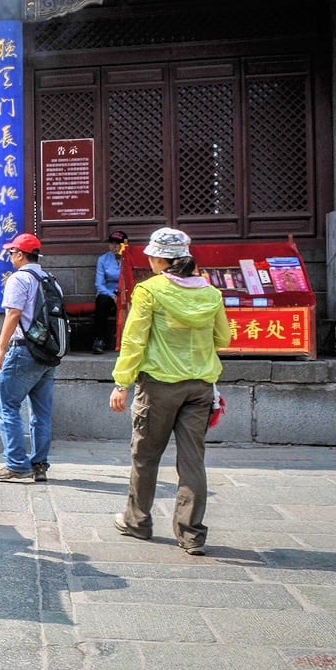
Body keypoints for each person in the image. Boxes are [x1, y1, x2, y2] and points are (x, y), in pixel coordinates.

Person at [109, 227, 230, 556]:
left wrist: (122, 382)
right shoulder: (210, 293)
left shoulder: (149, 291)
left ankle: (138, 521)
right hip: (201, 386)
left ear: (162, 260)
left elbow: (134, 341)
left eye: (152, 255)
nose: (149, 259)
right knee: (193, 462)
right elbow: (223, 339)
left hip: (159, 385)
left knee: (145, 457)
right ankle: (191, 534)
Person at [0, 232, 61, 484]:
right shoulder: (51, 279)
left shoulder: (19, 279)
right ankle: (39, 464)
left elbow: (13, 315)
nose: (10, 256)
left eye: (12, 252)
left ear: (21, 254)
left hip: (24, 350)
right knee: (41, 412)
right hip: (47, 353)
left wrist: (0, 348)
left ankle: (16, 464)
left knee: (8, 406)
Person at [93, 230, 129, 354]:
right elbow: (99, 284)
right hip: (108, 294)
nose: (114, 247)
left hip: (126, 293)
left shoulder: (129, 258)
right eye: (112, 243)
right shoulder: (103, 259)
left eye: (118, 244)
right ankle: (99, 340)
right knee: (101, 301)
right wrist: (112, 296)